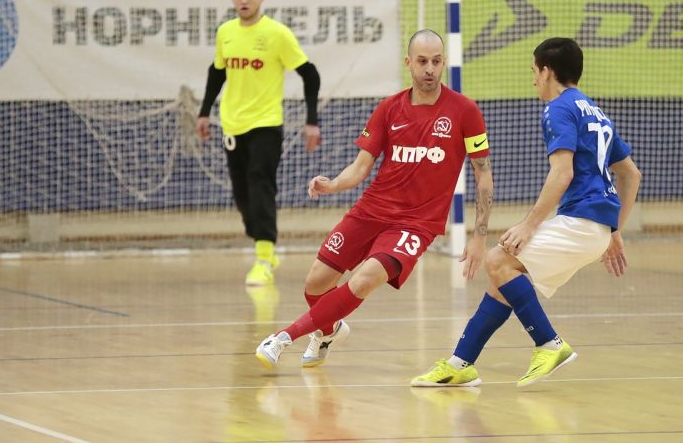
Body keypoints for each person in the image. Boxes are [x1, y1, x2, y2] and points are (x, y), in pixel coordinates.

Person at [254, 29, 494, 370]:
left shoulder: (465, 111)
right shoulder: (389, 108)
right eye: (422, 61)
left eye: (436, 61)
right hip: (371, 210)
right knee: (316, 285)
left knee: (365, 279)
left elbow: (483, 175)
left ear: (444, 63)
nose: (430, 69)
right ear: (408, 63)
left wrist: (480, 236)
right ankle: (329, 331)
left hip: (416, 224)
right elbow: (361, 167)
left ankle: (282, 338)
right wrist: (332, 185)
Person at [411, 37, 642, 388]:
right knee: (503, 279)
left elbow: (562, 173)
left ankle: (549, 343)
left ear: (547, 72)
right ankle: (461, 363)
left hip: (581, 221)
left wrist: (529, 225)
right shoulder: (595, 111)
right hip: (592, 226)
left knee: (497, 260)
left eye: (534, 71)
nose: (533, 79)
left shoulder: (558, 108)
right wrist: (615, 230)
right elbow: (630, 174)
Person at [197, 0, 322, 286]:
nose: (244, 0)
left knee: (259, 183)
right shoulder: (225, 32)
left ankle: (263, 259)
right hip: (232, 124)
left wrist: (311, 120)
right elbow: (217, 73)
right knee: (242, 195)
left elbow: (310, 74)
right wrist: (204, 112)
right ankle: (263, 244)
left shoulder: (277, 34)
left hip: (266, 123)